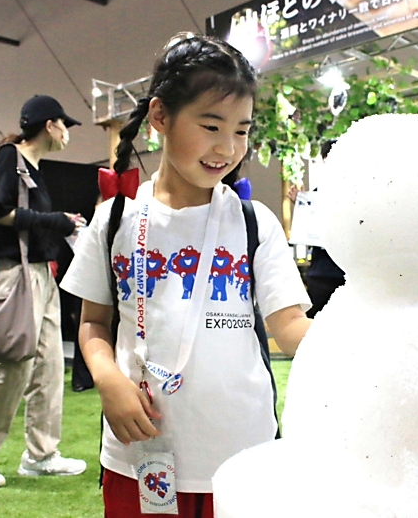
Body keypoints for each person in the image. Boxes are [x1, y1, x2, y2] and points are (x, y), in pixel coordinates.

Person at [61, 34, 312, 518]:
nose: (228, 147)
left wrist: (367, 344)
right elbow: (93, 324)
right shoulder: (116, 220)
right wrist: (108, 379)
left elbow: (291, 326)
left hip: (243, 453)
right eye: (212, 125)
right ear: (160, 117)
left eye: (242, 130)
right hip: (140, 454)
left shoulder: (253, 221)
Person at [0, 94, 87, 489]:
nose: (66, 133)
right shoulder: (9, 158)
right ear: (50, 124)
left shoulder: (34, 168)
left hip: (42, 274)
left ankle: (41, 454)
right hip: (16, 275)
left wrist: (58, 222)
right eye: (65, 124)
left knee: (47, 367)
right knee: (15, 365)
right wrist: (56, 220)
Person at [305, 139, 345, 318]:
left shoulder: (358, 193)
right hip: (320, 271)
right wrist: (300, 205)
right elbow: (305, 230)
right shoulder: (315, 194)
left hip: (347, 271)